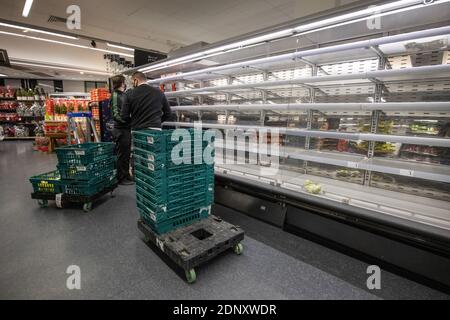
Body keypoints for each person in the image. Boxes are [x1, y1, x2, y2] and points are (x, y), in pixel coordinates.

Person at [110, 75, 134, 185]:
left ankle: (126, 175)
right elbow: (116, 114)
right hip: (120, 129)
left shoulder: (123, 95)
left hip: (125, 129)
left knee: (126, 153)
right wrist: (126, 121)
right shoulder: (115, 95)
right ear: (121, 83)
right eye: (124, 82)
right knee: (122, 154)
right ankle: (121, 177)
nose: (125, 84)